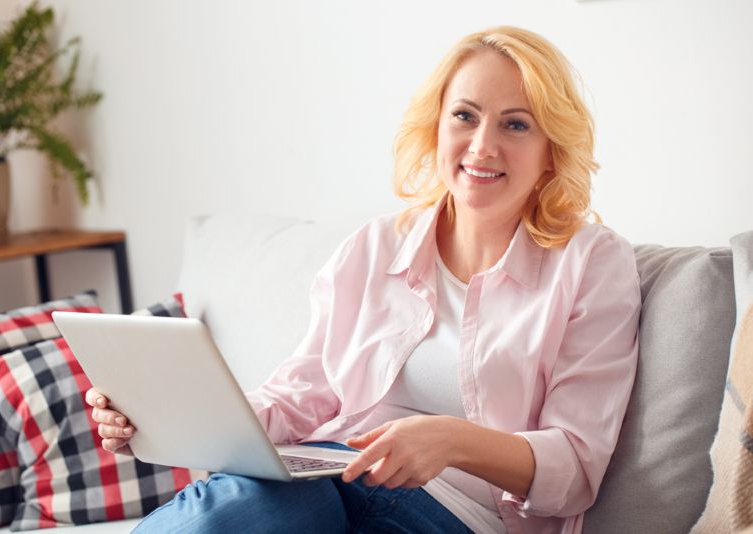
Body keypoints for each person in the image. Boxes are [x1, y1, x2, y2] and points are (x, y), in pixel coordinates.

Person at [86, 25, 641, 534]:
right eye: (465, 116)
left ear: (551, 154)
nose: (482, 146)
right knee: (227, 512)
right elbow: (300, 395)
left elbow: (574, 467)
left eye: (516, 125)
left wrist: (451, 442)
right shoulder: (377, 246)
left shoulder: (590, 263)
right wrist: (175, 415)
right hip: (331, 476)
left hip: (458, 517)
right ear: (437, 126)